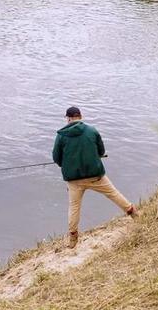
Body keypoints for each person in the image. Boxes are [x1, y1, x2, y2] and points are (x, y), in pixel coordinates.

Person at [52, 106, 137, 249]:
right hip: (96, 176)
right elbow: (101, 151)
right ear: (81, 116)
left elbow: (56, 158)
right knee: (113, 194)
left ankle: (73, 238)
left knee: (74, 206)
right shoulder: (92, 130)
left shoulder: (61, 136)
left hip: (74, 180)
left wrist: (66, 164)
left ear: (68, 118)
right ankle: (134, 214)